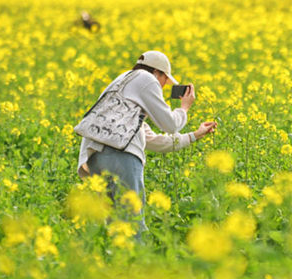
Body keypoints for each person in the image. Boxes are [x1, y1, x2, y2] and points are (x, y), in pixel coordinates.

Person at [77, 50, 217, 234]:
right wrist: (184, 107)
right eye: (165, 81)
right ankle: (138, 261)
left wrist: (194, 135)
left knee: (113, 224)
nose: (163, 87)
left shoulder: (122, 83)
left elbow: (152, 140)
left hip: (95, 157)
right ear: (158, 73)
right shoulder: (147, 79)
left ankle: (113, 261)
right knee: (133, 223)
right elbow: (170, 125)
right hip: (122, 157)